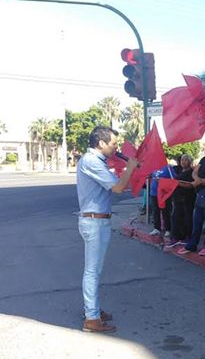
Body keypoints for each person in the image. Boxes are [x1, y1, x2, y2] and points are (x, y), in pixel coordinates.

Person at [77, 126, 138, 333]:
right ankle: (91, 319)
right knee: (92, 271)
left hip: (98, 221)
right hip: (94, 222)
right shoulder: (92, 161)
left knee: (96, 270)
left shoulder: (97, 161)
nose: (115, 148)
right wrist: (130, 167)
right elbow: (118, 188)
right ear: (101, 143)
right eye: (113, 144)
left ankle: (92, 309)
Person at [166, 154, 196, 248]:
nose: (183, 161)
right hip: (177, 198)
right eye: (182, 159)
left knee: (187, 218)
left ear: (190, 161)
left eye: (186, 160)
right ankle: (176, 237)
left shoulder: (192, 172)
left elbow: (191, 185)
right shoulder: (179, 170)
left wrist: (178, 183)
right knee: (176, 217)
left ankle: (187, 236)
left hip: (187, 198)